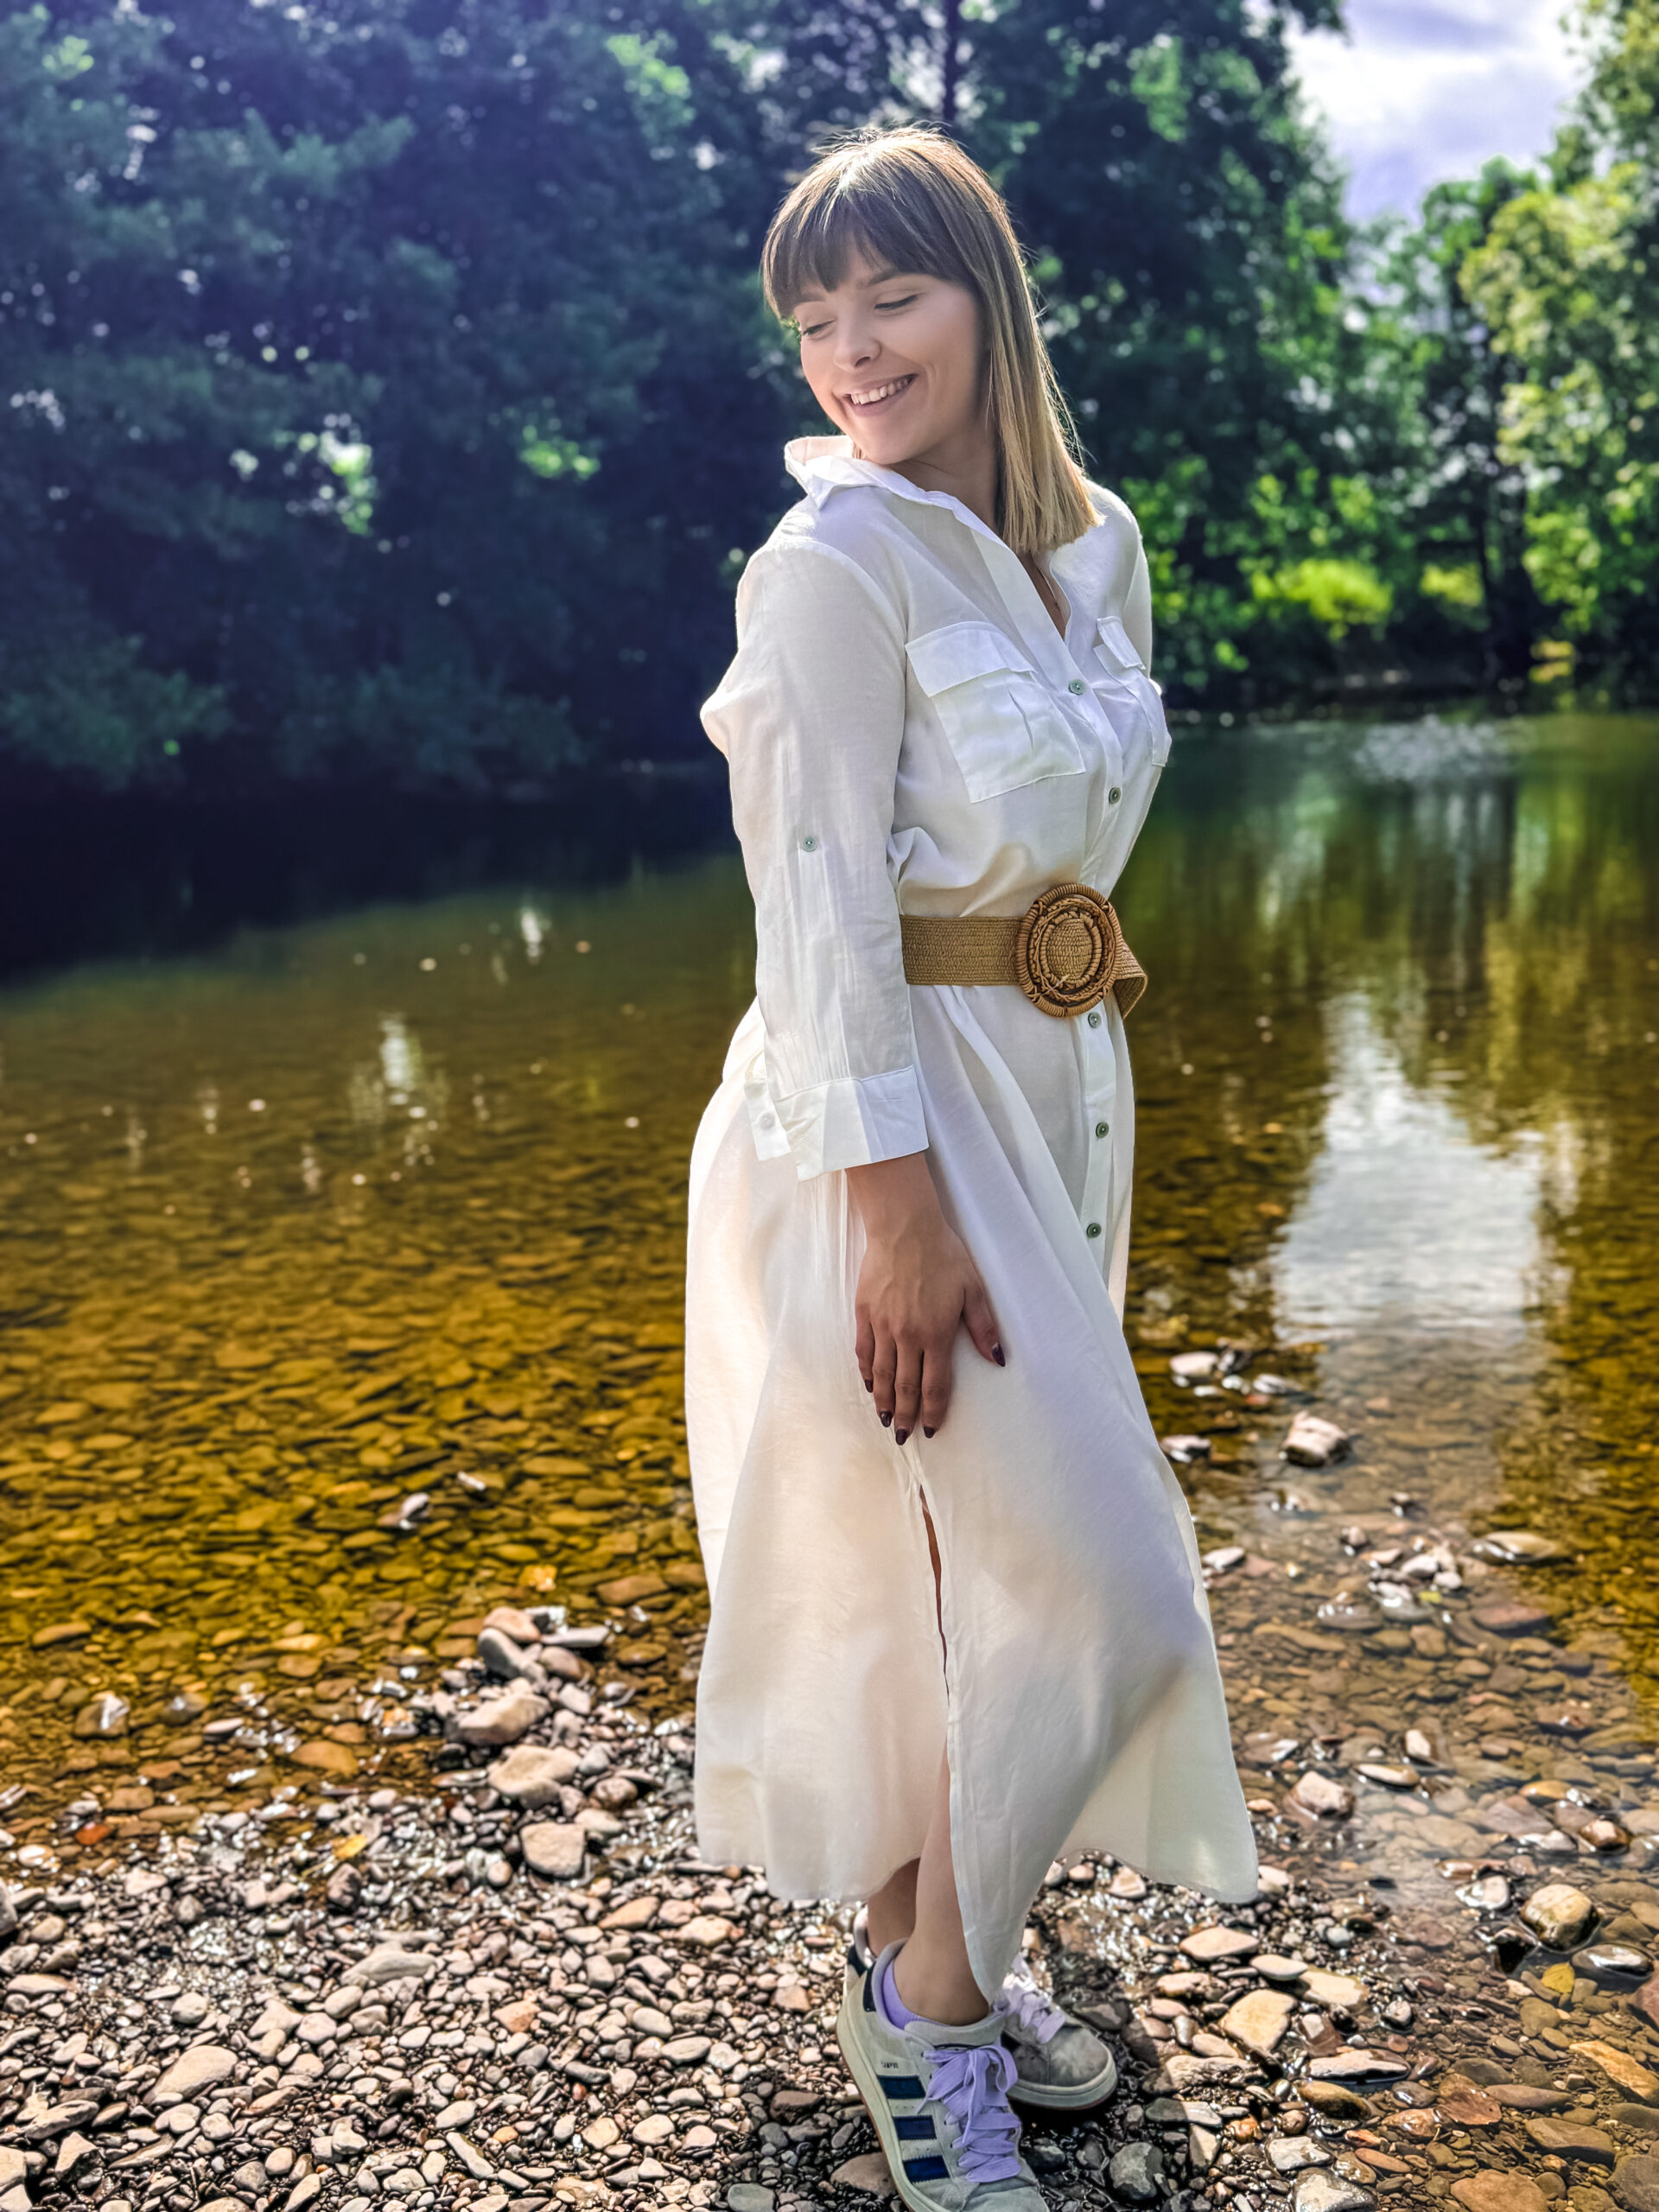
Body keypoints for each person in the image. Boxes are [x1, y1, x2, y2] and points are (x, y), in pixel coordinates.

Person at [683, 125, 1256, 2211]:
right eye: (816, 317)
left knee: (968, 1569)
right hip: (887, 1123)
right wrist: (894, 1210)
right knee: (1109, 1582)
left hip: (1058, 1091)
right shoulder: (831, 563)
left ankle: (935, 1953)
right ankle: (929, 2016)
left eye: (891, 296)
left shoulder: (1094, 548)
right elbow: (818, 899)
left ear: (988, 297)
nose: (851, 350)